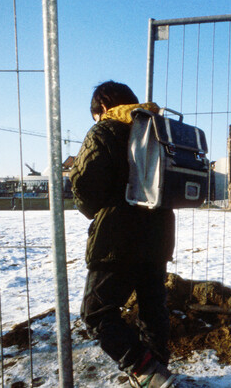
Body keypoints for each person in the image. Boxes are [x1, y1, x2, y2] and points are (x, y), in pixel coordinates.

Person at [70, 81, 178, 388]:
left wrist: (100, 212)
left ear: (103, 107)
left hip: (117, 236)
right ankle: (157, 369)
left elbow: (84, 186)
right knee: (152, 305)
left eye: (96, 114)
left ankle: (145, 370)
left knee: (97, 313)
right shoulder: (159, 129)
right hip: (158, 233)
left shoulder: (104, 130)